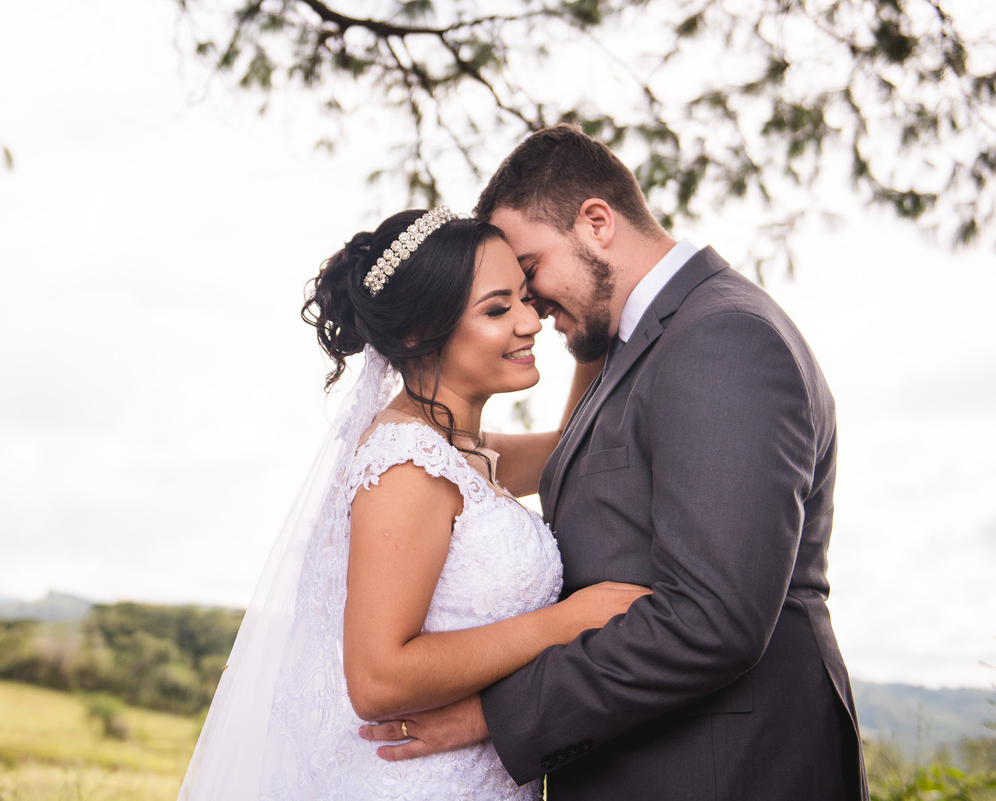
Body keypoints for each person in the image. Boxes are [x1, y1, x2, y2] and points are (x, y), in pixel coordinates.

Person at [361, 124, 868, 800]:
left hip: (722, 772)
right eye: (503, 298)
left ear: (597, 222)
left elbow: (713, 620)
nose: (532, 308)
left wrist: (491, 716)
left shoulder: (721, 337)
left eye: (530, 270)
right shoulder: (639, 347)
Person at [177, 207, 651, 800]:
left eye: (527, 299)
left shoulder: (457, 449)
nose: (530, 321)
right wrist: (563, 623)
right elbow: (378, 678)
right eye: (497, 309)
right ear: (416, 334)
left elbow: (568, 447)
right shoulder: (408, 464)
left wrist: (594, 321)